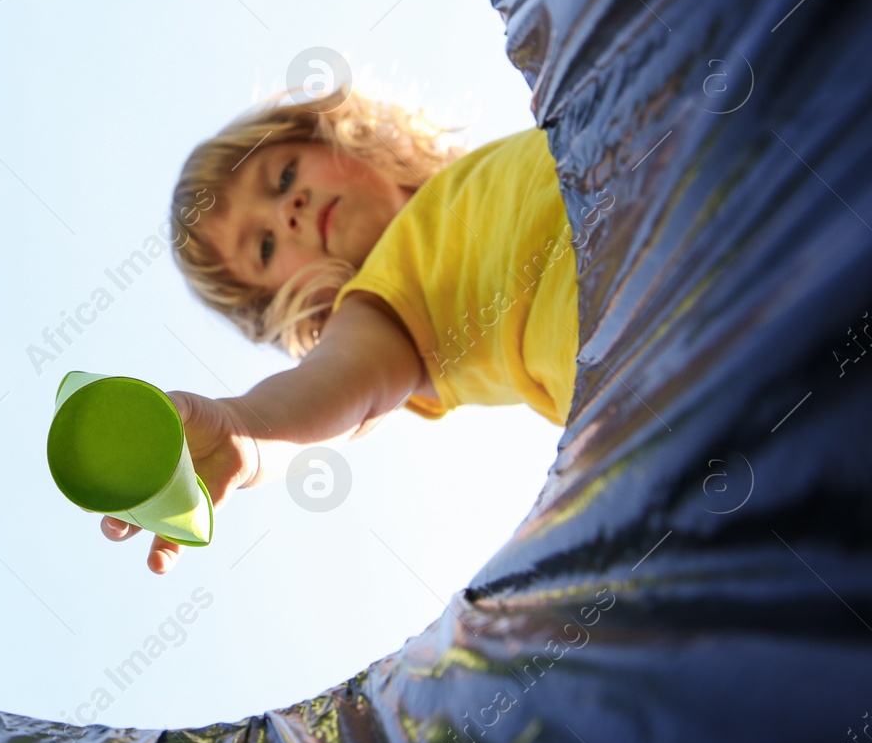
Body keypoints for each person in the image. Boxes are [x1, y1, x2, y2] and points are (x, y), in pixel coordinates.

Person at [101, 86, 592, 574]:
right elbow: (338, 381)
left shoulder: (486, 167)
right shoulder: (376, 307)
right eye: (265, 247)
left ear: (329, 136)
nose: (286, 211)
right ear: (291, 303)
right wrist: (245, 429)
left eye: (284, 176)